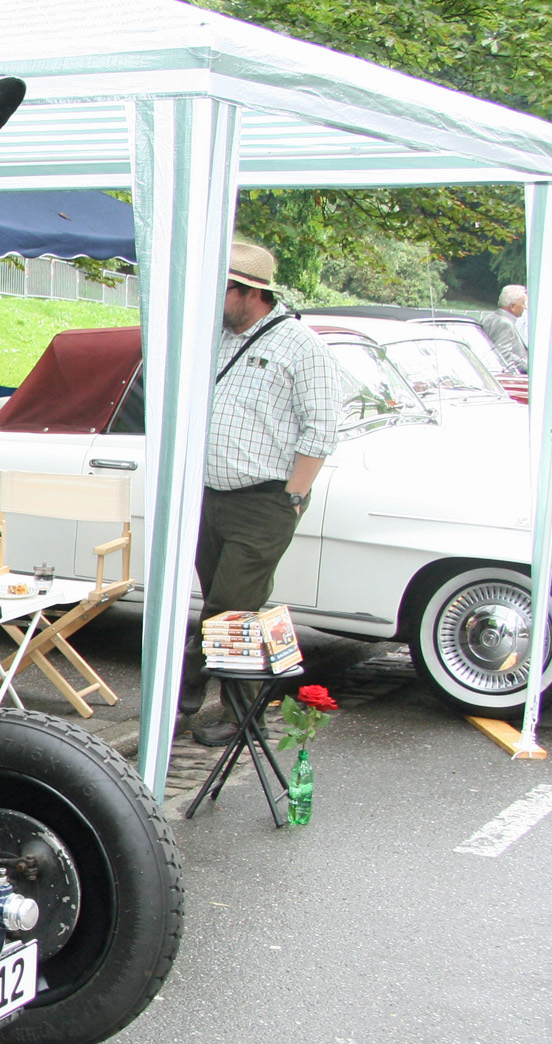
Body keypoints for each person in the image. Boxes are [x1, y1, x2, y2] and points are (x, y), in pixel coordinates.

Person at [181, 241, 346, 747]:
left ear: (248, 292)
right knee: (232, 608)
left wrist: (293, 495)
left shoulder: (302, 346)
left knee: (229, 609)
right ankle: (229, 705)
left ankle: (189, 695)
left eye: (220, 291)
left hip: (264, 499)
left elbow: (322, 428)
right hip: (211, 495)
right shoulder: (220, 339)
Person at [480, 285, 529, 375]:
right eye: (523, 303)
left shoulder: (487, 318)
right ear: (513, 306)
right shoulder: (505, 324)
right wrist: (528, 366)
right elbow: (502, 354)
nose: (525, 307)